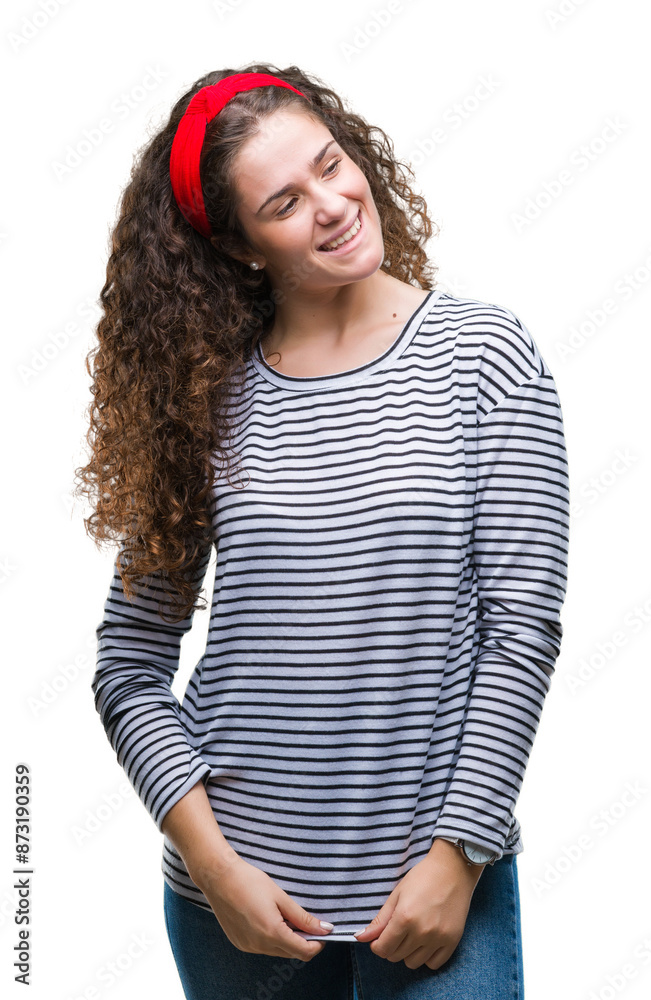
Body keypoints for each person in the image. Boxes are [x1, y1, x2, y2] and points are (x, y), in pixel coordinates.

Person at [77, 63, 570, 999]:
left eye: (332, 164)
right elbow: (128, 665)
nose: (334, 205)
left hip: (436, 900)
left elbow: (519, 633)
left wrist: (458, 857)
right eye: (285, 202)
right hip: (235, 912)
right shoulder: (205, 400)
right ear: (240, 246)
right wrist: (214, 869)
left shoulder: (483, 357)